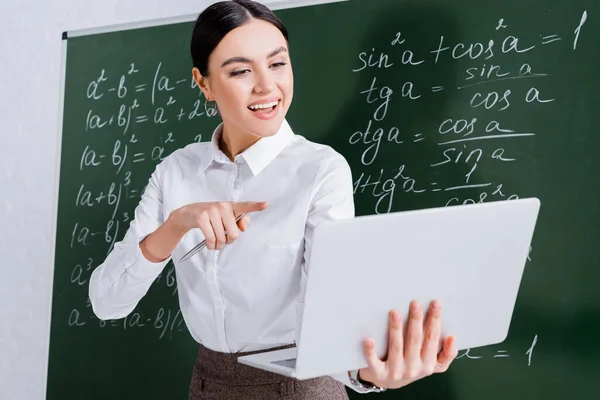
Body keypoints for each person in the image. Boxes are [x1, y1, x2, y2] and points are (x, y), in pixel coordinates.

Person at [88, 1, 458, 398]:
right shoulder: (176, 171)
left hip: (299, 388)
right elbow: (107, 303)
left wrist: (368, 375)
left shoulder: (320, 170)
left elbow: (330, 310)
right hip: (208, 384)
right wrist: (178, 223)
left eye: (278, 64)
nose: (266, 86)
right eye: (241, 70)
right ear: (204, 83)